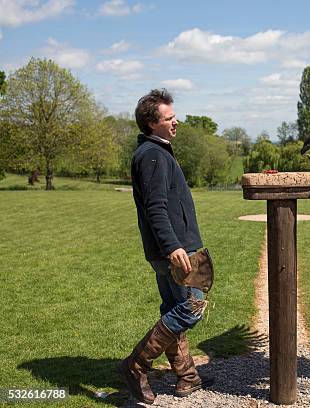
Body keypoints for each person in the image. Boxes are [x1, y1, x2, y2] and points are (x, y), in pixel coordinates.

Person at [118, 89, 214, 404]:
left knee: (175, 308)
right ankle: (136, 365)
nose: (176, 122)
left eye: (174, 116)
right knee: (192, 307)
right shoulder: (153, 156)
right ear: (151, 123)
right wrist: (174, 247)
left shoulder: (158, 151)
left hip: (173, 247)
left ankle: (187, 377)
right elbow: (155, 207)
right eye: (169, 118)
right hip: (175, 250)